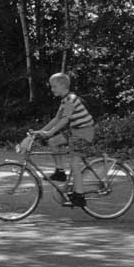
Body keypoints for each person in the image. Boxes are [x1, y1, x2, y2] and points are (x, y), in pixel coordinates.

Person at [33, 72, 95, 208]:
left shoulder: (71, 99)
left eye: (54, 86)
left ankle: (79, 196)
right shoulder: (64, 100)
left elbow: (65, 119)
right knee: (53, 142)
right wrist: (41, 131)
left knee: (74, 163)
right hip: (75, 131)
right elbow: (56, 119)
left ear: (62, 85)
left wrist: (50, 132)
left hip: (84, 132)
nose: (52, 89)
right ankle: (60, 172)